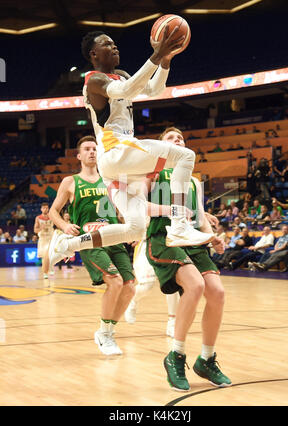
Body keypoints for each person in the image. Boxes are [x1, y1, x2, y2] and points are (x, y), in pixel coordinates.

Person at [48, 30, 214, 268]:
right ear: (94, 54)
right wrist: (156, 56)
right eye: (107, 44)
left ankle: (67, 246)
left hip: (117, 164)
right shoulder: (93, 80)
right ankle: (179, 225)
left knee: (135, 229)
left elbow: (154, 90)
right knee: (185, 157)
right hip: (116, 149)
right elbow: (123, 92)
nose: (114, 47)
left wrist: (165, 61)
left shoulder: (123, 75)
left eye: (115, 43)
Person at [141, 127, 231, 391]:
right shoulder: (153, 173)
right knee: (196, 285)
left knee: (217, 292)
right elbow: (136, 205)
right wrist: (169, 209)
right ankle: (176, 355)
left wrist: (212, 237)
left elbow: (200, 217)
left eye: (180, 137)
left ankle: (207, 359)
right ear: (162, 147)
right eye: (170, 138)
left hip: (191, 241)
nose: (177, 140)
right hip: (163, 237)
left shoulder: (192, 180)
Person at [49, 135, 135, 356]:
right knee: (114, 281)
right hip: (89, 240)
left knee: (130, 286)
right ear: (79, 156)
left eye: (95, 149)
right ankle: (106, 337)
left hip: (114, 236)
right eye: (87, 149)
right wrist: (65, 226)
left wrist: (132, 228)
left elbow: (121, 208)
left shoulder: (109, 179)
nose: (92, 152)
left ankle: (106, 331)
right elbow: (53, 211)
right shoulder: (70, 182)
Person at [33, 202, 54, 279]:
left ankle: (51, 268)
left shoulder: (52, 216)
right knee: (43, 256)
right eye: (44, 208)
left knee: (51, 254)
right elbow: (35, 230)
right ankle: (45, 272)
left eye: (47, 208)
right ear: (41, 209)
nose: (45, 209)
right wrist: (41, 228)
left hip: (51, 237)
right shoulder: (38, 218)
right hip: (43, 238)